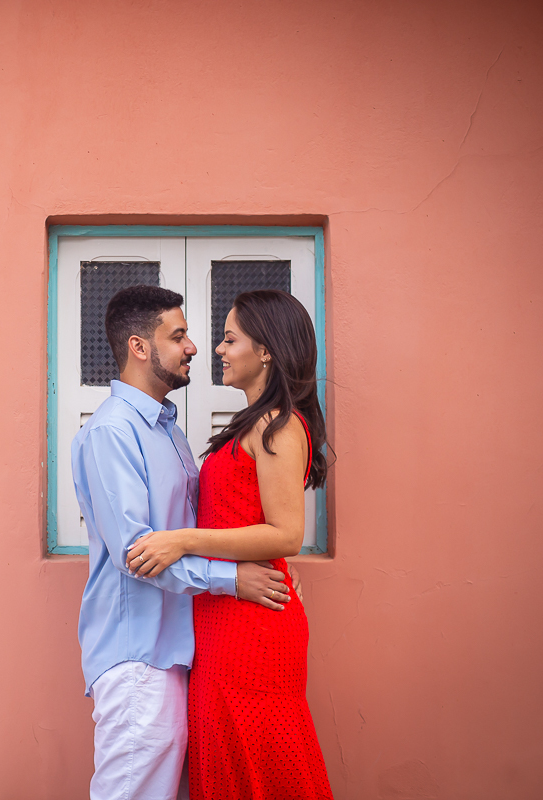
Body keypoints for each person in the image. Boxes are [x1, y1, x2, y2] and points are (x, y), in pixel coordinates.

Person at [72, 285, 295, 800]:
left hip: (178, 651)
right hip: (138, 656)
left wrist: (266, 554)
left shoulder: (166, 430)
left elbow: (203, 525)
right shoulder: (112, 432)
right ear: (139, 347)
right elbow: (140, 553)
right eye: (179, 335)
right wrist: (232, 579)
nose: (194, 346)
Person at [125, 289, 334, 799]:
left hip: (252, 627)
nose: (217, 349)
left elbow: (286, 532)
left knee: (261, 761)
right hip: (224, 616)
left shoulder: (279, 424)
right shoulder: (252, 423)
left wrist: (181, 540)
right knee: (227, 762)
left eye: (229, 338)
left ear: (265, 350)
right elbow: (248, 518)